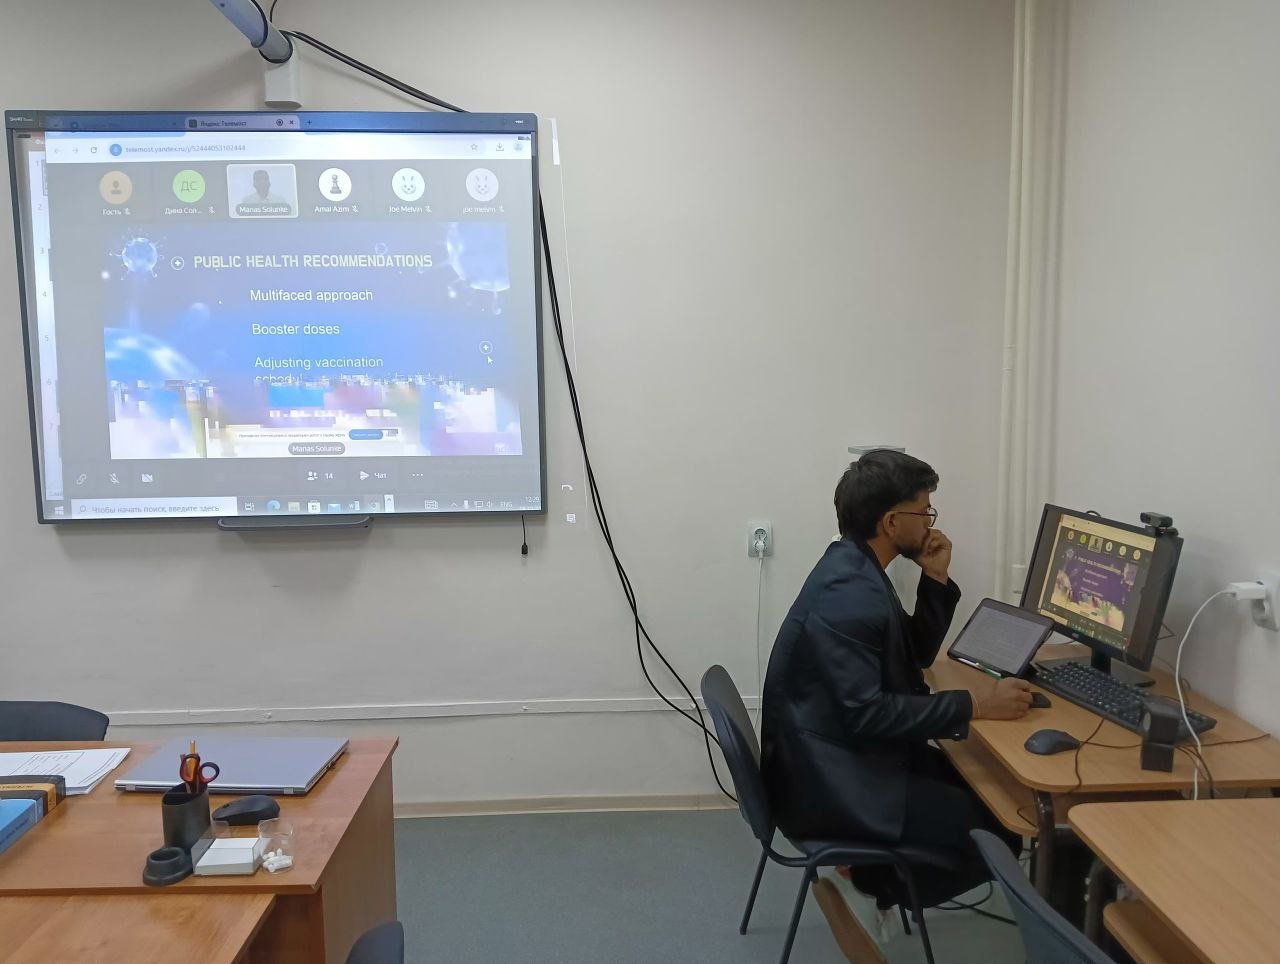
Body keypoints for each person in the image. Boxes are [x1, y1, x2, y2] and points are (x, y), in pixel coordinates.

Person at [760, 449, 1031, 957]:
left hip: (836, 752)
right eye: (925, 511)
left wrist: (935, 578)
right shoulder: (850, 595)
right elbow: (869, 714)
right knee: (999, 835)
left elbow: (909, 657)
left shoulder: (853, 568)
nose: (930, 523)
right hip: (831, 780)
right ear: (890, 522)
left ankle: (868, 876)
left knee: (993, 798)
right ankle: (867, 884)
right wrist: (975, 705)